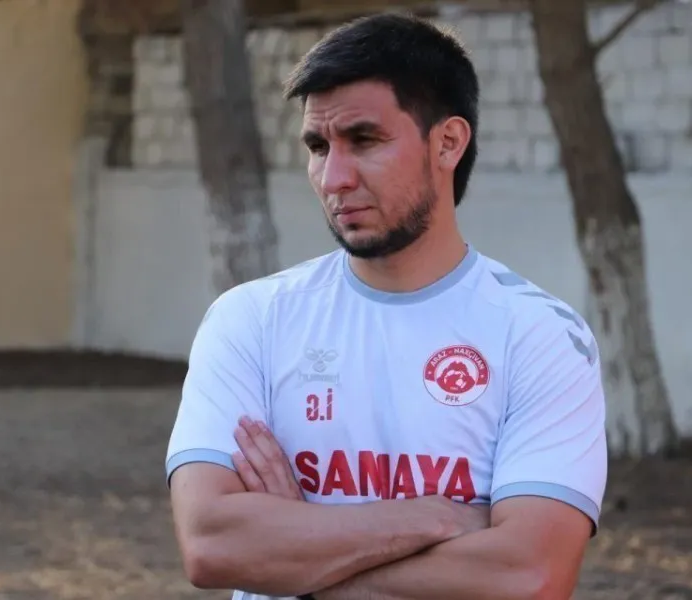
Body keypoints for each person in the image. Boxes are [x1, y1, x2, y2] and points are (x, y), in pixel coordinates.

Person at [165, 12, 607, 600]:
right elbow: (213, 546)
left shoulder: (539, 336)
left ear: (447, 143)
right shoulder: (251, 320)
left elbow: (528, 576)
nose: (334, 177)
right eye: (318, 146)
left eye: (364, 140)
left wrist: (300, 552)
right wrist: (432, 517)